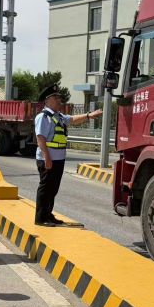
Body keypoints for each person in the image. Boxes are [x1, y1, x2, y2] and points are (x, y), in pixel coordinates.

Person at [34, 84, 103, 226]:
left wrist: (88, 115)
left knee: (53, 189)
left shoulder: (58, 116)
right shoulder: (43, 117)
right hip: (48, 159)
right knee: (45, 189)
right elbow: (40, 138)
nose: (59, 100)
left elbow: (72, 119)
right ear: (47, 101)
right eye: (56, 98)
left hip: (59, 159)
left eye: (59, 97)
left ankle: (48, 214)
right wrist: (47, 157)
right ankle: (40, 218)